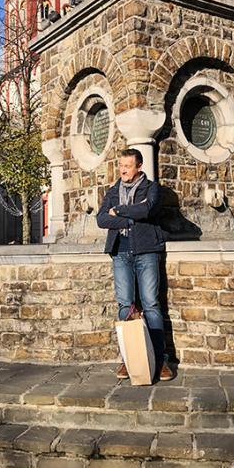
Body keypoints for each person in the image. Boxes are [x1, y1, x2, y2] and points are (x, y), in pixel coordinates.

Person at [96, 148, 173, 381]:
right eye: (120, 166)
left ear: (139, 166)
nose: (122, 170)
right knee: (125, 305)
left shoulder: (152, 188)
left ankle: (160, 361)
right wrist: (131, 216)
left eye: (127, 166)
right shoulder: (112, 191)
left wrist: (119, 211)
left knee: (150, 304)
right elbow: (101, 219)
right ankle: (129, 359)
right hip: (120, 251)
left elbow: (147, 209)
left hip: (146, 251)